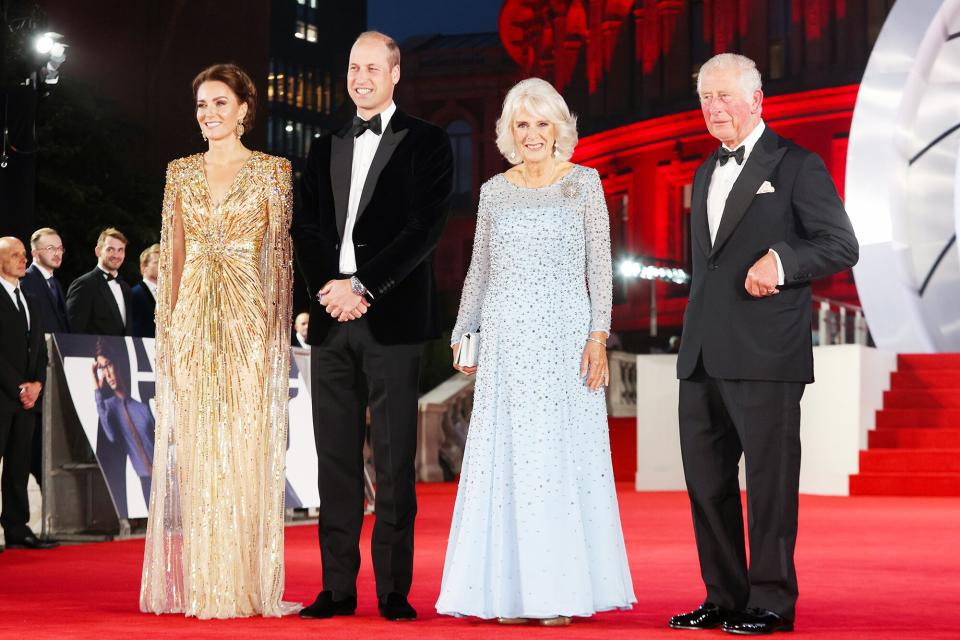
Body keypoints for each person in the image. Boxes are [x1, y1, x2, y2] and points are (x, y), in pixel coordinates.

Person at [669, 53, 858, 635]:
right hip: (701, 354)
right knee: (707, 484)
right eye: (706, 98)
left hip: (766, 353)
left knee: (770, 485)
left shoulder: (796, 165)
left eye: (725, 96)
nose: (714, 107)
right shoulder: (703, 171)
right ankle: (723, 596)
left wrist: (783, 260)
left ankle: (771, 601)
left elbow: (840, 244)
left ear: (757, 101)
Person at [435, 78, 636, 625]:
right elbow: (480, 269)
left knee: (557, 461)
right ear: (508, 131)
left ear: (559, 128)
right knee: (511, 460)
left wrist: (599, 335)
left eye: (541, 123)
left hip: (564, 339)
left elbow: (601, 266)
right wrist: (463, 329)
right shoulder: (494, 191)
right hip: (506, 341)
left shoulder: (585, 184)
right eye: (521, 124)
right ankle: (512, 592)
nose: (532, 134)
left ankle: (559, 591)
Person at [291, 31, 453, 622]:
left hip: (394, 322)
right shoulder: (322, 145)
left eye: (372, 67)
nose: (361, 77)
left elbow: (424, 229)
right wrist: (327, 292)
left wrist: (364, 286)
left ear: (395, 73)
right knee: (333, 459)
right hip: (332, 323)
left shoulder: (429, 142)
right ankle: (336, 587)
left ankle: (392, 588)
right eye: (353, 67)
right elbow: (304, 228)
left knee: (392, 460)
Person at [139, 63, 299, 619]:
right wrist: (170, 327)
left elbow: (279, 260)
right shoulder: (179, 172)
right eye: (202, 105)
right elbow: (175, 252)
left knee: (246, 444)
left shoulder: (273, 171)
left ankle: (250, 582)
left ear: (244, 109)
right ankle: (210, 584)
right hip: (191, 321)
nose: (209, 114)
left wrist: (278, 333)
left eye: (220, 103)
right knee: (203, 450)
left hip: (249, 318)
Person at [0, 237, 57, 550]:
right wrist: (18, 387)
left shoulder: (32, 299)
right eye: (15, 255)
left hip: (27, 400)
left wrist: (37, 384)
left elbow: (40, 351)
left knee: (19, 465)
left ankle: (17, 527)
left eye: (24, 255)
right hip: (3, 396)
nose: (23, 260)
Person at [20, 227, 70, 490]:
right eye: (50, 248)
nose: (57, 253)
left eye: (60, 248)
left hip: (57, 373)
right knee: (36, 444)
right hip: (37, 374)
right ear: (35, 252)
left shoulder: (56, 284)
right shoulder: (27, 281)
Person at [91, 338, 155, 505]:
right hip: (144, 479)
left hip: (163, 474)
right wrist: (96, 389)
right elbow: (111, 435)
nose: (107, 373)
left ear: (117, 364)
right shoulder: (109, 408)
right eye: (102, 368)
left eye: (109, 365)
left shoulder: (142, 408)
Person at [66, 227, 133, 336]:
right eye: (110, 249)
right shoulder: (84, 285)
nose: (116, 255)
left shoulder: (125, 288)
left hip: (122, 352)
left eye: (120, 250)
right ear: (98, 251)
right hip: (92, 352)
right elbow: (74, 330)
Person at [130, 244, 159, 338]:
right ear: (143, 267)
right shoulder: (134, 294)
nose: (163, 265)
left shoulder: (169, 295)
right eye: (157, 262)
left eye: (165, 261)